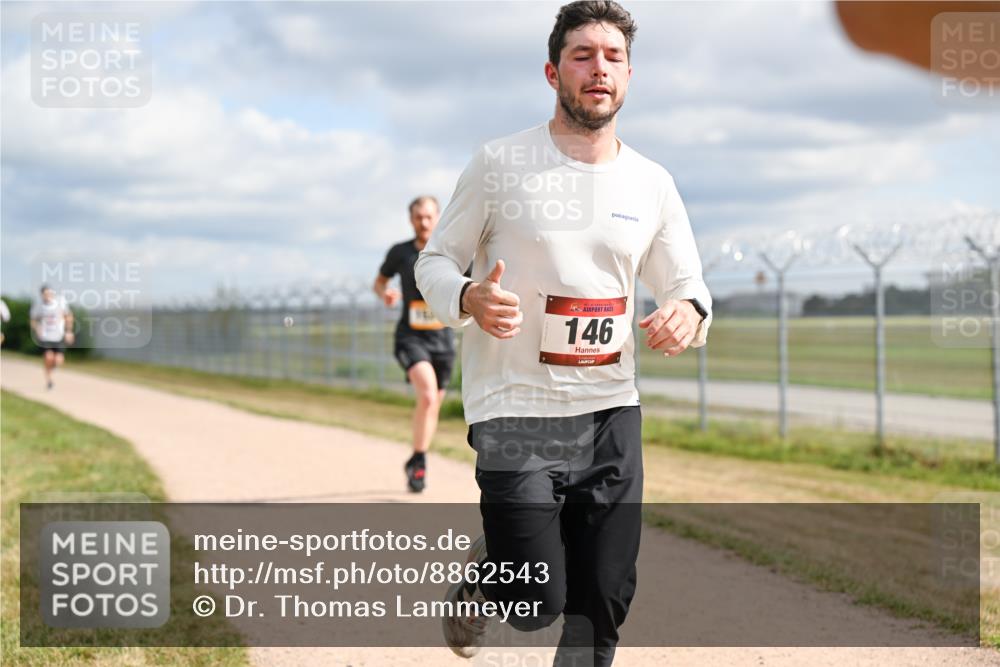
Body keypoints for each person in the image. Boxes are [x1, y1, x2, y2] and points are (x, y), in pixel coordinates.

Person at [415, 2, 711, 664]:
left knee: (602, 597)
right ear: (553, 72)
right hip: (518, 407)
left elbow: (687, 283)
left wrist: (689, 312)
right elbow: (433, 261)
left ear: (630, 76)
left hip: (610, 409)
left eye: (612, 57)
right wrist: (468, 295)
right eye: (582, 55)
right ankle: (489, 576)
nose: (598, 68)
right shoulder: (498, 164)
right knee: (537, 602)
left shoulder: (653, 184)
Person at [375, 196, 464, 493]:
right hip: (410, 337)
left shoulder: (453, 251)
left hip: (443, 341)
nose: (423, 222)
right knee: (426, 396)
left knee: (432, 404)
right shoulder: (400, 253)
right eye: (418, 217)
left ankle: (416, 456)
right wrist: (385, 294)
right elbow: (379, 282)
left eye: (428, 217)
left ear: (438, 217)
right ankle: (421, 462)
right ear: (411, 219)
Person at [30, 285, 75, 389]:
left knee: (58, 360)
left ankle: (51, 368)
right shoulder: (38, 305)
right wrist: (37, 329)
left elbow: (68, 316)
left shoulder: (60, 302)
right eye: (45, 294)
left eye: (49, 293)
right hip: (45, 337)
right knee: (48, 357)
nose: (47, 296)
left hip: (58, 336)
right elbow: (33, 320)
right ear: (41, 295)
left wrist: (69, 332)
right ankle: (49, 381)